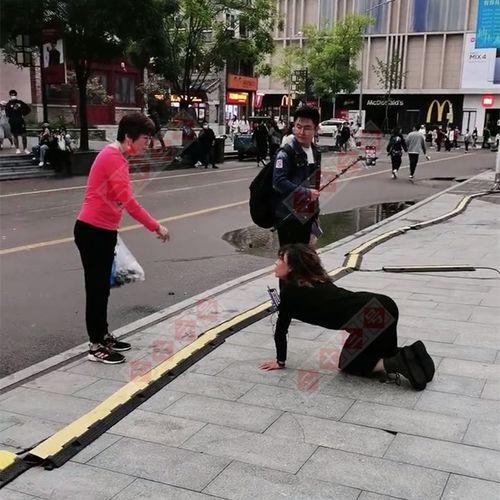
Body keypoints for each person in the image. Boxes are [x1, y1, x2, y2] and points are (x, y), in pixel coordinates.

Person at [259, 244, 435, 391]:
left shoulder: (291, 294)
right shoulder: (316, 279)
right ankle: (412, 354)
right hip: (383, 304)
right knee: (382, 353)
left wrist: (280, 362)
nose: (276, 262)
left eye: (281, 259)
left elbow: (281, 329)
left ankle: (397, 363)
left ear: (292, 268)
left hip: (371, 314)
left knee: (348, 364)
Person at [74, 112, 170, 364]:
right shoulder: (113, 158)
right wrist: (156, 226)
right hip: (93, 231)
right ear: (129, 137)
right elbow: (129, 202)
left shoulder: (117, 157)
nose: (148, 144)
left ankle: (103, 334)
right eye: (145, 138)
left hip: (102, 231)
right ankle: (96, 345)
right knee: (96, 289)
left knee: (102, 288)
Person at [272, 106, 321, 247]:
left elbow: (315, 186)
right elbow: (278, 182)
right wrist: (306, 193)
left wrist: (316, 215)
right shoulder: (285, 153)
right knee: (290, 256)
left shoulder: (316, 153)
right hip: (288, 217)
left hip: (307, 216)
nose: (301, 132)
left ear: (316, 129)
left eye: (307, 128)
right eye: (298, 127)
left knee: (304, 255)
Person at [5, 90, 31, 154]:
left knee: (24, 135)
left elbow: (28, 109)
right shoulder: (8, 104)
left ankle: (25, 149)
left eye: (14, 95)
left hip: (20, 121)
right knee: (15, 135)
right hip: (13, 122)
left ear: (16, 95)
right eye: (12, 95)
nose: (13, 96)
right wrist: (14, 109)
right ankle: (17, 149)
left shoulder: (20, 102)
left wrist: (23, 114)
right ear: (10, 96)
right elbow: (7, 114)